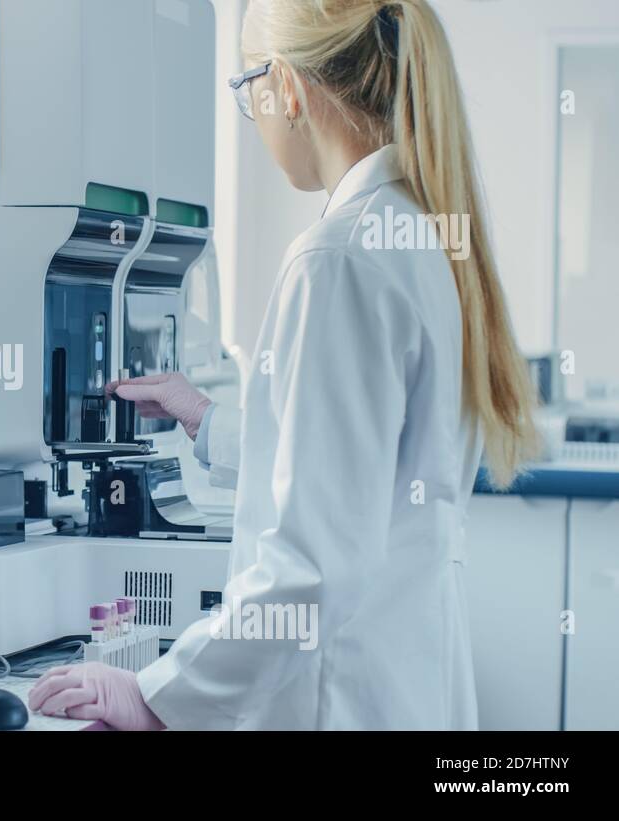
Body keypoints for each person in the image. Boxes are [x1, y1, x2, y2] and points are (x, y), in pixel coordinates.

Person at [28, 0, 538, 730]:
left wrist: (157, 694)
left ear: (287, 87)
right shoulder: (418, 234)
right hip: (404, 686)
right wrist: (208, 418)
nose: (252, 114)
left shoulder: (337, 258)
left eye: (246, 90)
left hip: (346, 699)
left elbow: (311, 572)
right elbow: (362, 468)